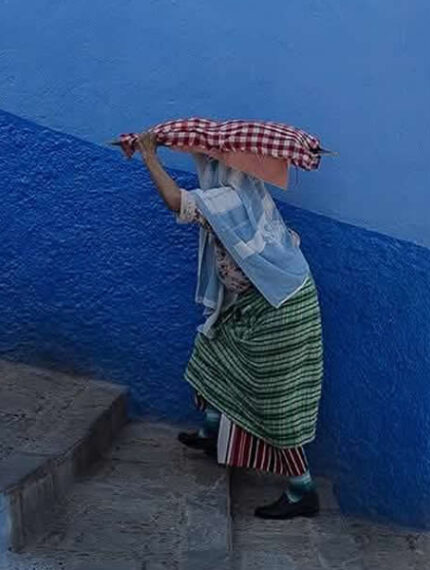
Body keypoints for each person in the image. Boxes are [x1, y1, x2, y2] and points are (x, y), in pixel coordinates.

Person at [134, 131, 324, 520]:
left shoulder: (229, 200)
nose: (205, 167)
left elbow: (175, 201)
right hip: (265, 300)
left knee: (274, 399)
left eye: (209, 161)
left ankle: (302, 488)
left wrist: (150, 155)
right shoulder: (247, 193)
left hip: (283, 307)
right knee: (215, 349)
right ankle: (211, 428)